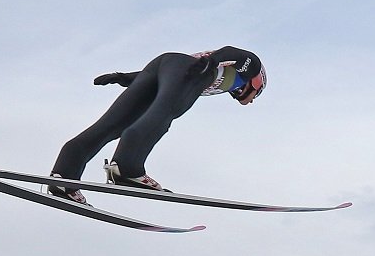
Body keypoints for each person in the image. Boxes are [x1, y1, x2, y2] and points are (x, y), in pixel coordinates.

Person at [48, 46, 266, 204]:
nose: (252, 99)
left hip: (161, 66)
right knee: (163, 115)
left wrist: (124, 77)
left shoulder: (224, 81)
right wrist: (212, 61)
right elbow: (235, 54)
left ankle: (64, 176)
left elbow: (170, 72)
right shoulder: (252, 68)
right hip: (190, 71)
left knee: (110, 126)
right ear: (257, 83)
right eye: (257, 93)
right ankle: (127, 168)